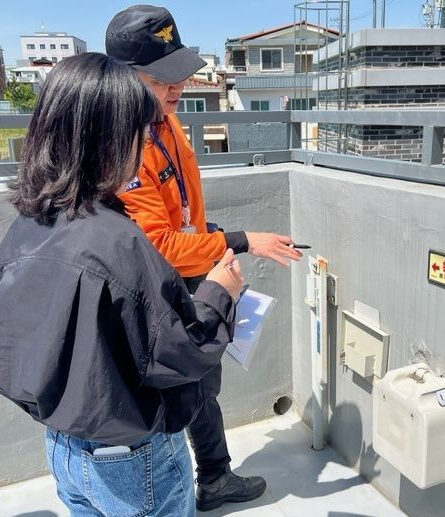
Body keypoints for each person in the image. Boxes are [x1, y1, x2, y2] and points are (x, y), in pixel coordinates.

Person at [0, 52, 244, 517]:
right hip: (135, 459)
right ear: (108, 139)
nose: (142, 147)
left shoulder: (30, 224)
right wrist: (219, 292)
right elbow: (179, 355)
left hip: (64, 446)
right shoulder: (119, 240)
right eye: (138, 132)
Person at [105, 5, 302, 511]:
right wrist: (241, 240)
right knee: (178, 390)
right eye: (161, 79)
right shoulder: (123, 146)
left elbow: (180, 215)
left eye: (178, 73)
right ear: (122, 81)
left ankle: (215, 477)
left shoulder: (164, 121)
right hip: (157, 291)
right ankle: (190, 486)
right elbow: (157, 245)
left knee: (201, 382)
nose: (177, 87)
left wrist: (212, 240)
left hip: (190, 276)